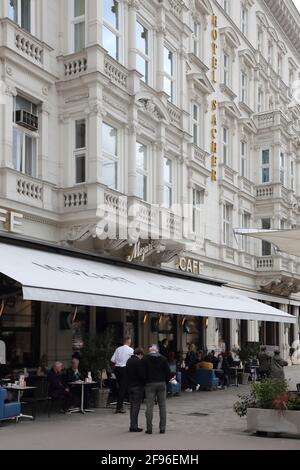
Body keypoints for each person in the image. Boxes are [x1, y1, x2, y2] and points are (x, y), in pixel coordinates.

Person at [142, 344, 173, 435]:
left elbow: (142, 373)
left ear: (150, 351)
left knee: (149, 406)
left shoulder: (145, 359)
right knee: (162, 406)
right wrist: (166, 381)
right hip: (161, 383)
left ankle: (149, 428)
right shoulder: (163, 359)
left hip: (150, 384)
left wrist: (145, 382)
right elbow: (168, 372)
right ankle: (162, 428)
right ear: (157, 350)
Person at [111, 337, 134, 414]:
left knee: (121, 387)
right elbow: (133, 360)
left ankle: (121, 405)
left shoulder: (118, 349)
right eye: (130, 342)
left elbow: (112, 360)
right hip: (125, 369)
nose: (130, 343)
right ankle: (119, 407)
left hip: (117, 369)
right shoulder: (131, 350)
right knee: (123, 388)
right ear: (127, 342)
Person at [126, 348, 145, 433]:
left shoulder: (128, 361)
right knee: (136, 407)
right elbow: (141, 375)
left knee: (132, 406)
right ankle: (134, 426)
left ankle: (132, 425)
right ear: (140, 354)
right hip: (137, 386)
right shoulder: (138, 362)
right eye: (142, 356)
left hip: (130, 386)